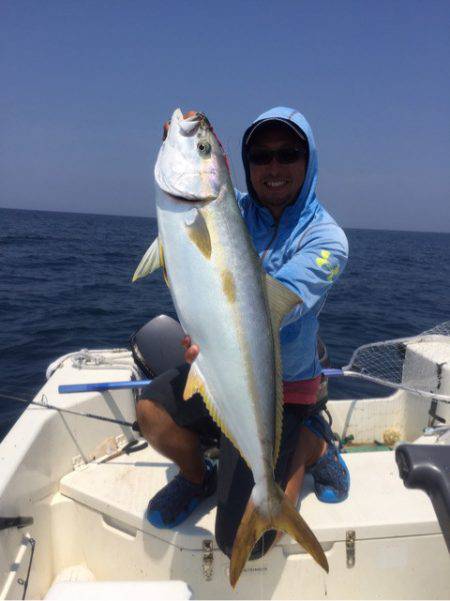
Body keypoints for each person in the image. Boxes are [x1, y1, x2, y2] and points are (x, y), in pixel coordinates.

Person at [136, 106, 350, 558]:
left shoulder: (327, 238)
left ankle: (313, 444)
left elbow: (279, 307)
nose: (273, 167)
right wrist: (192, 147)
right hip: (220, 365)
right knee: (151, 412)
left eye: (287, 154)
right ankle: (200, 479)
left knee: (246, 544)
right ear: (242, 163)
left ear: (308, 161)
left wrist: (218, 327)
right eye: (260, 155)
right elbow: (207, 192)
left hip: (286, 387)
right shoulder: (226, 206)